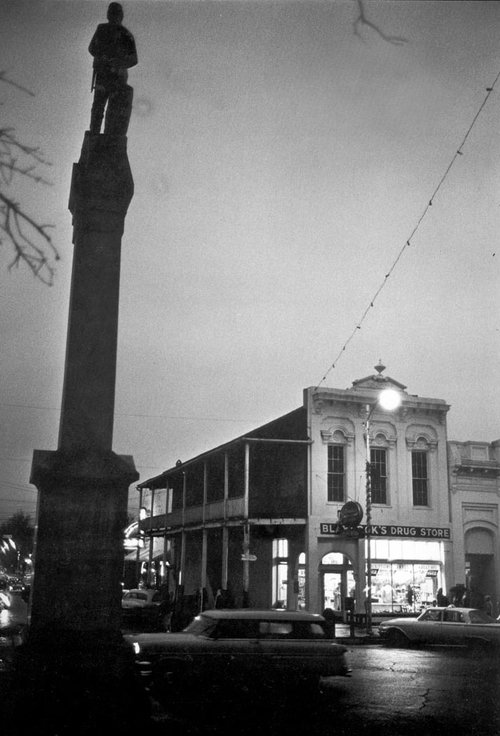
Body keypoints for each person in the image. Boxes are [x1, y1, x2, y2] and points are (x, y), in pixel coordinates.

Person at [88, 3, 138, 134]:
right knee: (98, 107)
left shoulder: (125, 35)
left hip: (117, 78)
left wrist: (117, 63)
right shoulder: (102, 29)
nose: (113, 16)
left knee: (114, 111)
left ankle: (109, 137)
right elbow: (92, 48)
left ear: (120, 16)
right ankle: (94, 133)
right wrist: (102, 56)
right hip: (103, 75)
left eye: (115, 13)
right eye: (111, 12)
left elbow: (133, 59)